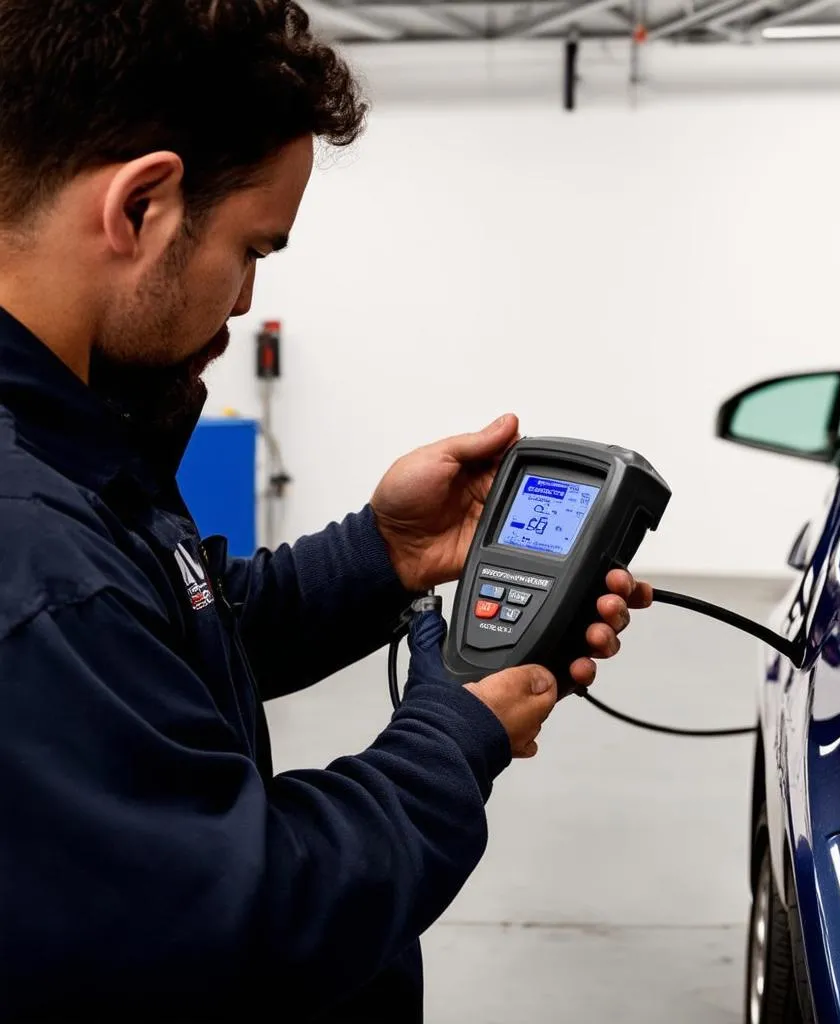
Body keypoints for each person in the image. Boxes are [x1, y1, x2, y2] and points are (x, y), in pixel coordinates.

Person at [0, 2, 653, 1020]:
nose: (244, 300)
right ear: (139, 209)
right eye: (254, 246)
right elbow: (247, 924)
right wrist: (450, 737)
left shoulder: (63, 440)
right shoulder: (36, 553)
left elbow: (152, 641)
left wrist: (380, 552)